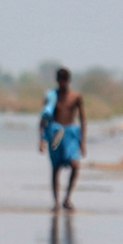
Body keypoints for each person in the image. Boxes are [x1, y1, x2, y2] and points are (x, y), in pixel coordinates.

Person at [39, 68, 87, 211]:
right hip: (55, 133)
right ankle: (56, 202)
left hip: (71, 133)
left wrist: (82, 141)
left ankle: (67, 198)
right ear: (57, 80)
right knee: (56, 168)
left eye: (65, 80)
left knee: (75, 165)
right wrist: (41, 140)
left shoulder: (76, 97)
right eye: (60, 80)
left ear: (68, 80)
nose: (62, 83)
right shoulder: (52, 97)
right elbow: (43, 118)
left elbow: (83, 119)